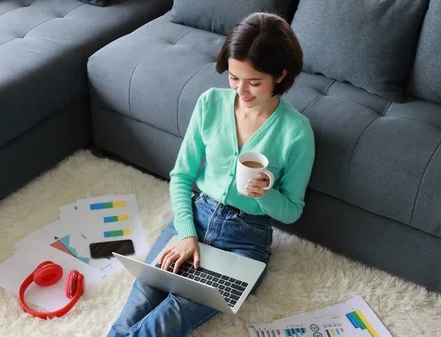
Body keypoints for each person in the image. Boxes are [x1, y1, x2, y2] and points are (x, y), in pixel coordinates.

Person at [107, 12, 315, 337]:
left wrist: (267, 194)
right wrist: (187, 233)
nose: (241, 91)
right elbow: (181, 176)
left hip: (245, 241)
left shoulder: (296, 132)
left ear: (281, 75)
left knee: (164, 322)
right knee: (135, 309)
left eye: (254, 81)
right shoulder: (210, 103)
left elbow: (292, 210)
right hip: (195, 215)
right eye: (234, 77)